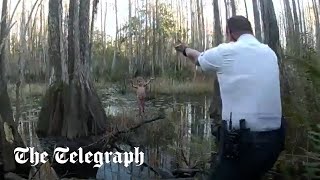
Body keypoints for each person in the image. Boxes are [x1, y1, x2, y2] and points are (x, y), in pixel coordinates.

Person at [174, 16, 286, 180]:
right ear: (250, 31)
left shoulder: (226, 51)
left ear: (229, 33)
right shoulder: (270, 53)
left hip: (243, 142)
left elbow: (199, 59)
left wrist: (185, 49)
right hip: (275, 141)